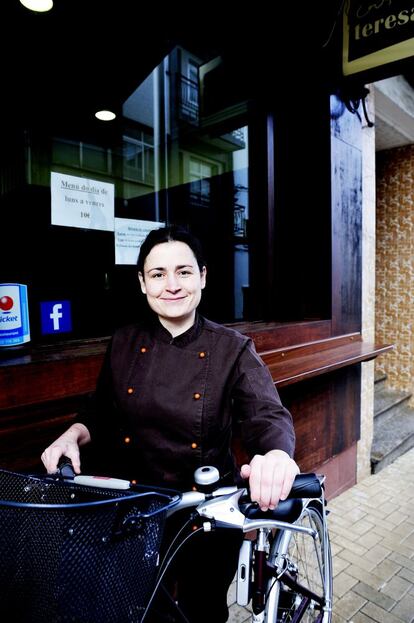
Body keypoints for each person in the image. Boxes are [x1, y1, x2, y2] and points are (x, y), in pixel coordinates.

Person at [41, 225, 299, 622]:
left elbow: (266, 413)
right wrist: (72, 434)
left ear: (203, 277)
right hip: (135, 504)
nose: (172, 285)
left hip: (205, 510)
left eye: (184, 271)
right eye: (158, 274)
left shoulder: (232, 348)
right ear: (143, 283)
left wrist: (277, 455)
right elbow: (100, 412)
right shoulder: (125, 341)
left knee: (201, 611)